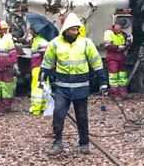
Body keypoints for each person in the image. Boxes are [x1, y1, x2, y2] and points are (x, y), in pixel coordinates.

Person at [40, 14, 105, 155]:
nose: (76, 32)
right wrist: (41, 78)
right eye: (73, 30)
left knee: (81, 116)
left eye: (77, 29)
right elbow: (46, 62)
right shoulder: (55, 44)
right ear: (66, 30)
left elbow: (96, 62)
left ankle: (84, 143)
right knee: (58, 113)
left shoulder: (86, 43)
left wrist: (103, 82)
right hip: (62, 87)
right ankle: (57, 142)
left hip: (81, 86)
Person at [100, 23, 131, 98]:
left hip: (121, 57)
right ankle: (115, 94)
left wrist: (125, 45)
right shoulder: (109, 33)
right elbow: (107, 46)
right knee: (113, 76)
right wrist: (118, 47)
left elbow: (126, 43)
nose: (119, 29)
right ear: (114, 26)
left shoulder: (122, 34)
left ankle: (123, 93)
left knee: (122, 76)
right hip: (113, 57)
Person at [28, 26, 50, 116]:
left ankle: (36, 108)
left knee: (37, 88)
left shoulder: (40, 42)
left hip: (38, 68)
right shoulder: (37, 40)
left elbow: (46, 56)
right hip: (40, 68)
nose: (29, 31)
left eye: (30, 30)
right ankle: (44, 107)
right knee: (44, 87)